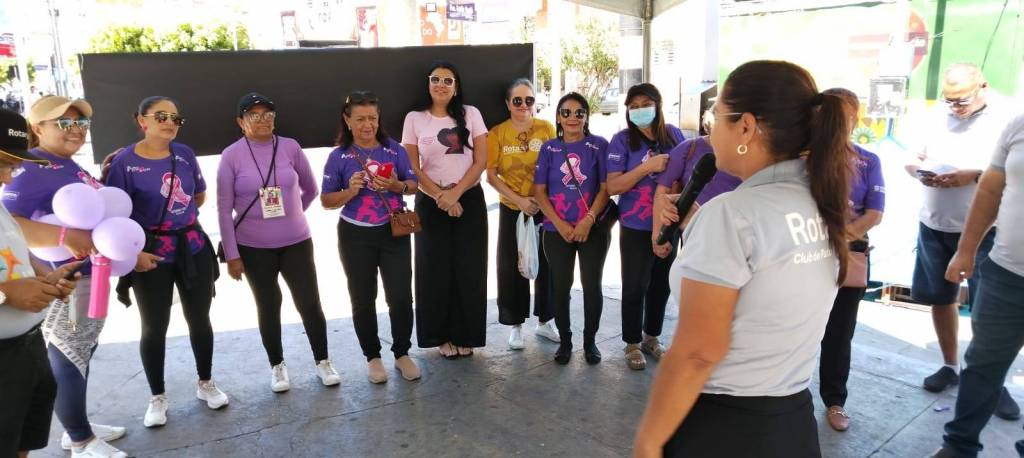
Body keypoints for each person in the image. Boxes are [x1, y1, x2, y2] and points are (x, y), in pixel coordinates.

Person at [632, 60, 852, 457]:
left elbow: (698, 353)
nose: (710, 130)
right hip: (793, 423)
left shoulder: (733, 215)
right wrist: (698, 222)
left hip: (725, 428)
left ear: (746, 127)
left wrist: (648, 443)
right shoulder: (820, 201)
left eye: (716, 116)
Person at [2, 96, 132, 457]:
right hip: (60, 286)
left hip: (79, 277)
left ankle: (77, 423)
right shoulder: (31, 168)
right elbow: (17, 225)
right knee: (67, 354)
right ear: (37, 127)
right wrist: (63, 237)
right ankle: (79, 438)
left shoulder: (64, 164)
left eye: (81, 123)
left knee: (82, 349)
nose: (76, 130)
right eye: (64, 123)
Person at [105, 96, 227, 428]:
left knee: (200, 318)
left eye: (175, 118)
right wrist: (133, 254)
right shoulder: (124, 163)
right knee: (154, 326)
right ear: (141, 120)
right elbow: (114, 213)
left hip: (193, 248)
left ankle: (206, 382)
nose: (170, 122)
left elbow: (198, 195)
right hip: (150, 255)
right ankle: (157, 396)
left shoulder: (184, 154)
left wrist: (180, 220)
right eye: (161, 116)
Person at [904, 63, 1018, 419]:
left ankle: (992, 383)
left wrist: (973, 175)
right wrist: (920, 172)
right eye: (949, 100)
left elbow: (1010, 174)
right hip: (934, 222)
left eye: (962, 100)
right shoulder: (933, 116)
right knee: (940, 297)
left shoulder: (1007, 118)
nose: (955, 107)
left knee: (989, 311)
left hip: (986, 230)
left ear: (983, 86)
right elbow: (912, 156)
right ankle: (950, 365)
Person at [217, 92, 340, 393]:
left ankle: (323, 361)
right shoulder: (231, 155)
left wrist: (292, 214)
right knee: (268, 305)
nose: (263, 120)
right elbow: (223, 209)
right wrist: (232, 254)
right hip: (253, 247)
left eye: (268, 114)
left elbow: (311, 190)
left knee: (309, 303)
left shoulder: (290, 147)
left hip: (296, 242)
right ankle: (277, 366)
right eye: (254, 115)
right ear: (240, 122)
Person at [930, 111, 1024, 457]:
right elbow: (990, 189)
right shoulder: (1018, 125)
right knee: (982, 364)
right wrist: (965, 250)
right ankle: (958, 446)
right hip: (1006, 273)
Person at [323, 91, 421, 383]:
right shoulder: (338, 157)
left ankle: (402, 353)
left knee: (401, 297)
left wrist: (395, 185)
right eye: (360, 119)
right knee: (363, 299)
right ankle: (373, 357)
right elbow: (326, 200)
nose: (367, 125)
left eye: (372, 118)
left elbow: (413, 184)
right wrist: (350, 191)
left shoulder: (394, 150)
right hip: (354, 235)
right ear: (347, 120)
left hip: (393, 232)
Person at [0, 108, 82, 458]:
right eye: (2, 164)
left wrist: (45, 279)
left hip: (29, 348)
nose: (7, 178)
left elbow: (14, 250)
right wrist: (5, 294)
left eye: (13, 166)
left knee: (23, 443)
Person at [401, 61, 489, 358]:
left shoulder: (471, 113)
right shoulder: (415, 119)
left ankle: (467, 334)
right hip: (431, 200)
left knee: (469, 268)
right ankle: (439, 336)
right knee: (434, 271)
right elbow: (412, 167)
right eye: (435, 79)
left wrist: (455, 194)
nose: (441, 85)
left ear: (456, 87)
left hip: (468, 198)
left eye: (448, 80)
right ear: (428, 83)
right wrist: (441, 196)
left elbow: (481, 161)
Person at [813, 88, 885, 432]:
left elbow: (874, 213)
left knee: (839, 333)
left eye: (843, 115)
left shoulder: (868, 161)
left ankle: (834, 400)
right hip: (802, 255)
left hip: (847, 256)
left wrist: (840, 239)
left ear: (855, 118)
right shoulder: (802, 159)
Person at [605, 83, 684, 370]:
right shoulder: (622, 141)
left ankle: (651, 337)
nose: (639, 110)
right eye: (634, 106)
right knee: (634, 285)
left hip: (667, 222)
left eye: (645, 105)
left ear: (658, 105)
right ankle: (632, 343)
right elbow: (613, 185)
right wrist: (646, 168)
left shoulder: (673, 135)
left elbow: (683, 176)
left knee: (661, 284)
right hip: (635, 225)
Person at [534, 92, 611, 365]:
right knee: (560, 286)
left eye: (579, 113)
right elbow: (539, 191)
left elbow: (606, 188)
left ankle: (590, 341)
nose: (572, 118)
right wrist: (559, 223)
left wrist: (588, 220)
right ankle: (565, 341)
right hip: (557, 230)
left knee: (592, 286)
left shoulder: (599, 145)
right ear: (558, 117)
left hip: (593, 228)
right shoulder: (549, 149)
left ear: (586, 117)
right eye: (566, 112)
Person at [485, 78, 559, 350]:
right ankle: (515, 325)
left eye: (529, 100)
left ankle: (545, 321)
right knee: (512, 266)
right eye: (517, 100)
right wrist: (519, 200)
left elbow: (556, 164)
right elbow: (491, 175)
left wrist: (540, 199)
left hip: (544, 207)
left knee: (548, 264)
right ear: (508, 103)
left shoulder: (546, 128)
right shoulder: (497, 133)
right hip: (512, 208)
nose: (524, 105)